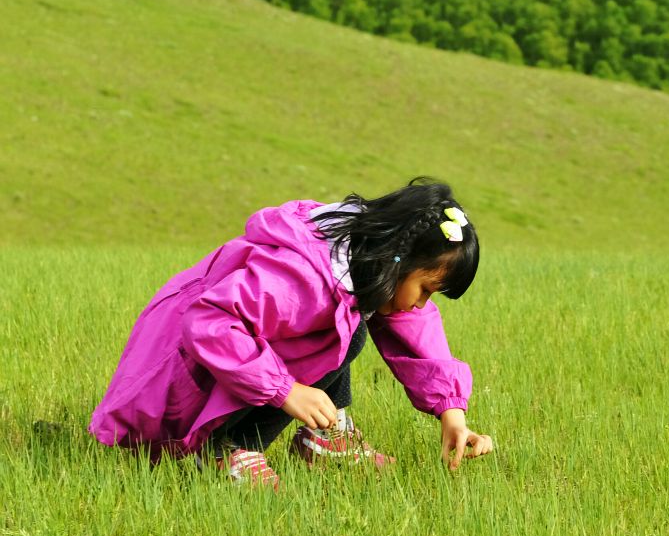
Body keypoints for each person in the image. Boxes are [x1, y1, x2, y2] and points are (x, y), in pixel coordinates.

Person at [88, 178, 494, 488]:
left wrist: (452, 415)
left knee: (349, 324)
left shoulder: (368, 261)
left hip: (210, 357)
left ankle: (325, 438)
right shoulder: (299, 280)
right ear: (398, 259)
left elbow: (415, 327)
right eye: (425, 289)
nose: (423, 303)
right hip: (176, 375)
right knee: (339, 332)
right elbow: (211, 324)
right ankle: (229, 450)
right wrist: (286, 390)